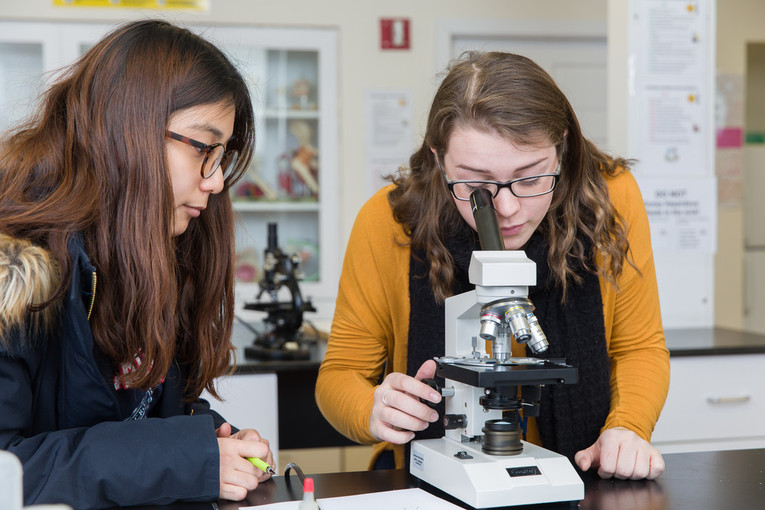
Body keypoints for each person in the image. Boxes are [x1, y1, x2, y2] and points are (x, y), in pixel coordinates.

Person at [316, 51, 670, 481]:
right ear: (439, 158)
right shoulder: (388, 220)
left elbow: (639, 348)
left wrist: (628, 427)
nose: (506, 208)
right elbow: (341, 374)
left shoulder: (611, 198)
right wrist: (372, 409)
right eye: (476, 183)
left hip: (583, 468)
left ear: (561, 147)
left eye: (531, 177)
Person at [0, 19, 274, 508]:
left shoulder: (150, 246)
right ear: (127, 131)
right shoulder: (16, 276)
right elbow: (9, 469)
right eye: (204, 148)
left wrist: (210, 439)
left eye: (222, 155)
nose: (216, 182)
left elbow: (139, 414)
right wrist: (187, 458)